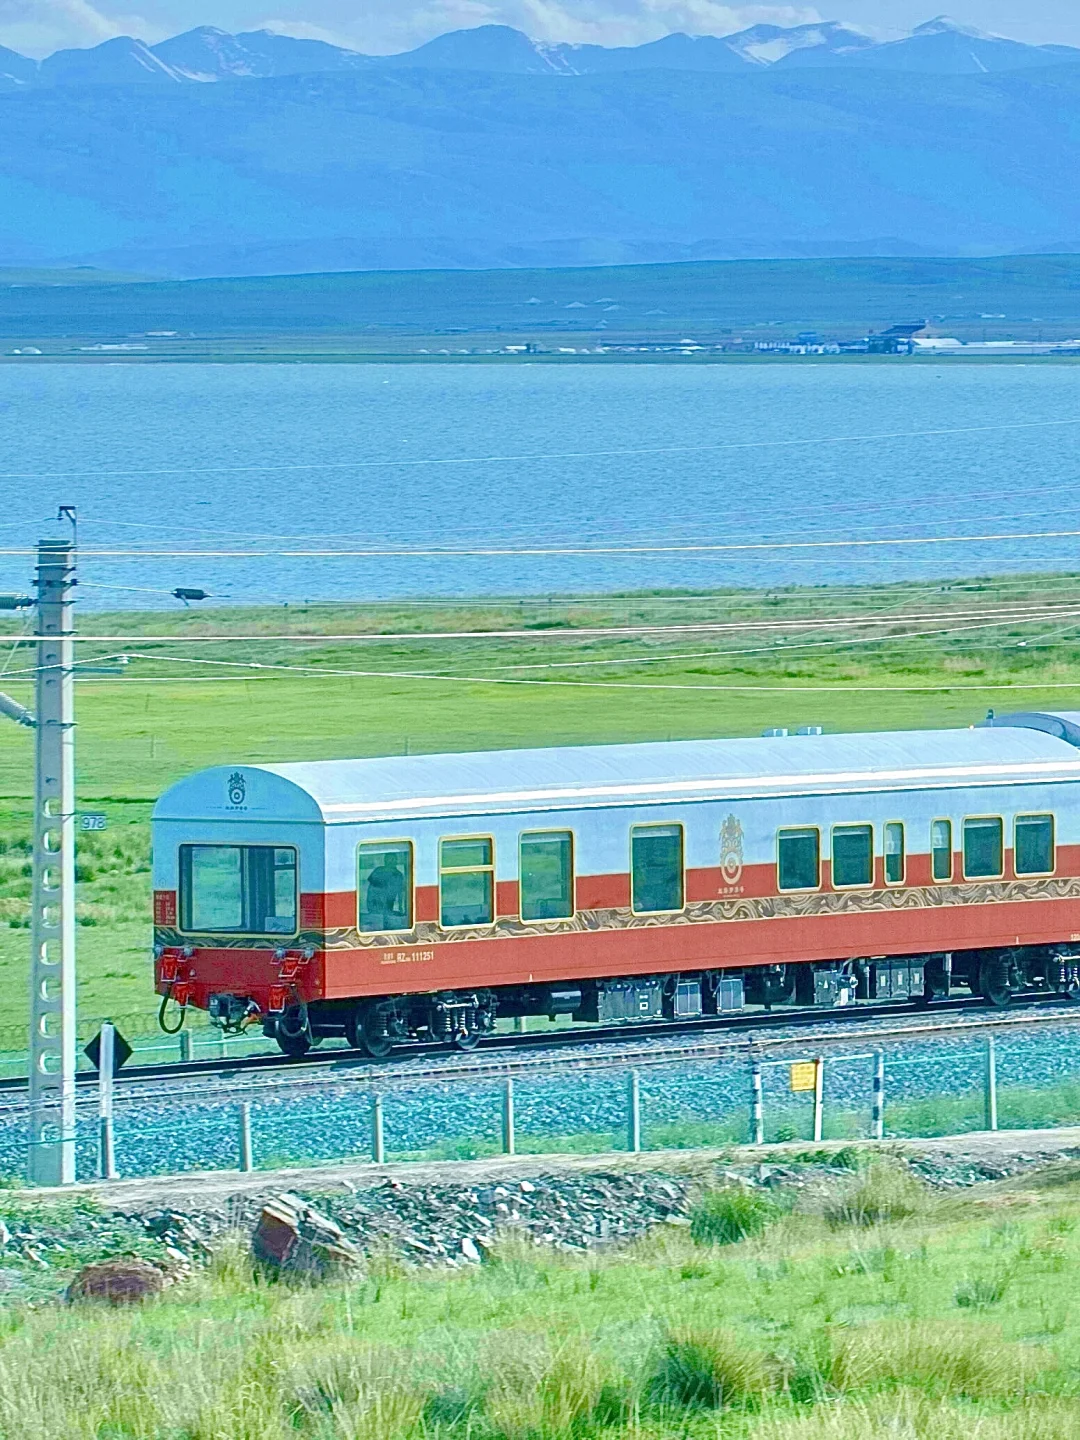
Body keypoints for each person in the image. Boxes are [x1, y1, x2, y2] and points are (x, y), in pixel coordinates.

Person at [365, 854, 407, 930]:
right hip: (375, 907)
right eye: (388, 859)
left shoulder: (399, 875)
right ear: (385, 861)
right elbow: (370, 889)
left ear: (396, 861)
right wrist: (369, 905)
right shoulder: (378, 871)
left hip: (389, 908)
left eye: (393, 859)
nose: (390, 862)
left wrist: (401, 908)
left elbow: (401, 893)